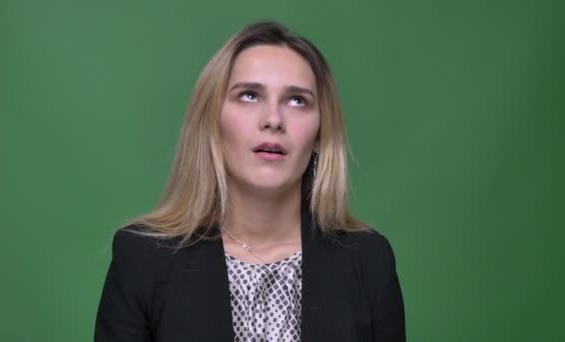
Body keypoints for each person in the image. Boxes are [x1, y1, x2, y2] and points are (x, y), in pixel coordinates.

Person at [94, 21, 405, 342]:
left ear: (320, 134)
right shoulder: (142, 259)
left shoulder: (369, 262)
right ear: (212, 121)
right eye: (249, 95)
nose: (273, 120)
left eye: (297, 100)